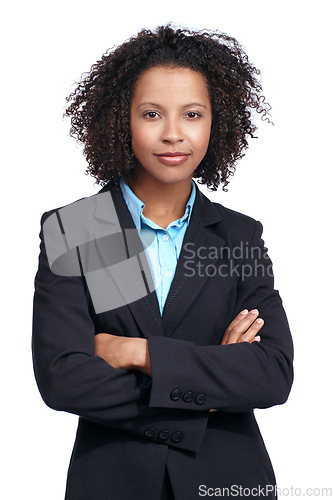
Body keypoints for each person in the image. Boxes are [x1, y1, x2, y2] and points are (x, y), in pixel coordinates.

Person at [32, 24, 294, 500]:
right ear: (121, 119)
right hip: (113, 483)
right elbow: (64, 378)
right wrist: (210, 390)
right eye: (151, 114)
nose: (173, 134)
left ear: (217, 122)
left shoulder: (238, 236)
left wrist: (138, 354)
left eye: (192, 114)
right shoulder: (82, 228)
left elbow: (272, 372)